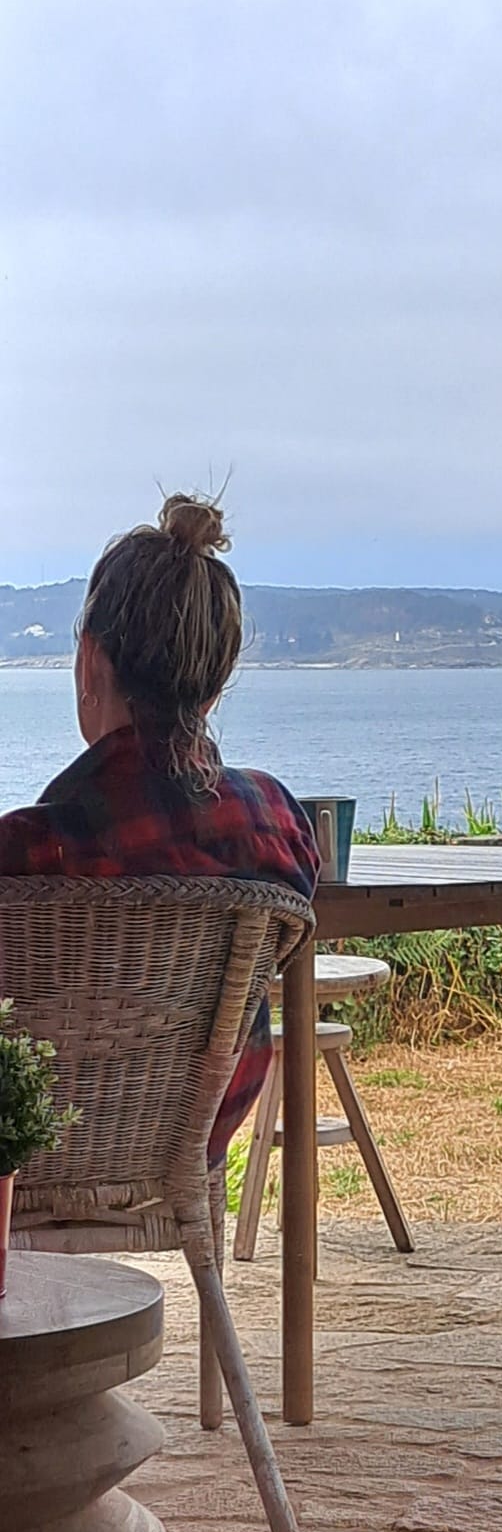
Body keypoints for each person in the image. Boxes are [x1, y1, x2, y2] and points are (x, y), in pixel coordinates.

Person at [0, 494, 319, 1168]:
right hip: (187, 1144)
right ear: (212, 688)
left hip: (22, 1159)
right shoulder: (277, 826)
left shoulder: (27, 851)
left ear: (90, 663)